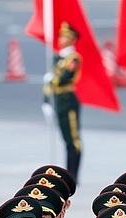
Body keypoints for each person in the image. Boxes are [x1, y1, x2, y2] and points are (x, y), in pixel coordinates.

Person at [42, 22, 83, 180]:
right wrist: (46, 101)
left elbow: (64, 78)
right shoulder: (56, 58)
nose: (61, 39)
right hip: (57, 100)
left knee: (72, 138)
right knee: (64, 137)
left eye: (65, 36)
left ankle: (73, 173)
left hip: (68, 100)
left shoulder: (73, 58)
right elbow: (49, 84)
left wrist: (54, 80)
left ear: (72, 39)